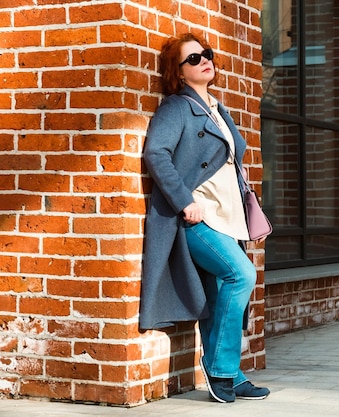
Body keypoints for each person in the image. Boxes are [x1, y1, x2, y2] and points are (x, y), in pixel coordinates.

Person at [139, 32, 269, 403]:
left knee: (219, 292)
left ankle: (232, 372)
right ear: (178, 73)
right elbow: (156, 154)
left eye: (206, 55)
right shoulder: (177, 108)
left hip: (227, 217)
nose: (204, 61)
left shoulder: (218, 108)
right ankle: (221, 369)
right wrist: (184, 201)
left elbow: (232, 169)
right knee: (241, 274)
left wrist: (248, 215)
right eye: (193, 59)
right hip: (197, 219)